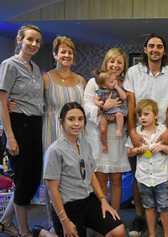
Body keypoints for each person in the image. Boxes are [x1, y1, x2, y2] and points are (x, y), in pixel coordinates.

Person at [123, 33, 168, 236]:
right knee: (140, 178)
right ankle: (141, 219)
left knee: (162, 179)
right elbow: (130, 105)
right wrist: (131, 131)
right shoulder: (133, 72)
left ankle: (165, 219)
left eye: (159, 46)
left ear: (164, 50)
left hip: (162, 132)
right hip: (139, 131)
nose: (155, 49)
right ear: (146, 49)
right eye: (151, 46)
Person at [44, 102, 125, 237]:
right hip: (68, 205)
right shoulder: (54, 150)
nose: (76, 123)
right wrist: (65, 221)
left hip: (88, 199)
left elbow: (91, 175)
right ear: (61, 122)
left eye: (80, 119)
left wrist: (103, 200)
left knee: (118, 231)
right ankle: (44, 233)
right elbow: (52, 190)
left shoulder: (85, 144)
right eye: (71, 119)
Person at [0, 24, 45, 237]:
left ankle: (6, 220)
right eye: (30, 39)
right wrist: (10, 136)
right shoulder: (9, 65)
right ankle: (24, 231)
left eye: (37, 41)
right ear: (20, 39)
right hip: (17, 127)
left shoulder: (36, 68)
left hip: (35, 126)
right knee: (24, 180)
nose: (34, 44)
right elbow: (2, 100)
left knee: (33, 179)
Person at [84, 48, 130, 211]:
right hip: (99, 136)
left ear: (123, 66)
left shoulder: (125, 85)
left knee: (117, 178)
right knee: (101, 179)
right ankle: (103, 217)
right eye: (112, 61)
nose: (115, 65)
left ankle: (115, 215)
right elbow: (87, 106)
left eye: (119, 62)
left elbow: (130, 108)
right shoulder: (93, 82)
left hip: (117, 137)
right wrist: (104, 108)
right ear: (106, 62)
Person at [126, 99, 168, 237]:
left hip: (161, 177)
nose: (142, 117)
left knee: (164, 208)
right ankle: (152, 234)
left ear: (155, 115)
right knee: (148, 207)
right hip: (144, 177)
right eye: (140, 115)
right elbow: (129, 152)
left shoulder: (163, 130)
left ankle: (166, 234)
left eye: (146, 114)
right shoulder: (136, 132)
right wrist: (137, 150)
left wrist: (162, 147)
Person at [42, 35, 86, 151]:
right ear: (55, 55)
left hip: (77, 132)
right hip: (52, 131)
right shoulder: (46, 78)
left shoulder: (81, 80)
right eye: (63, 52)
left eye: (70, 52)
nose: (67, 55)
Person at [94, 70, 127, 152]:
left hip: (116, 111)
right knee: (102, 129)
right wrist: (99, 103)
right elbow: (95, 99)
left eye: (115, 80)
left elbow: (124, 97)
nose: (115, 82)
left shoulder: (116, 90)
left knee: (120, 115)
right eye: (112, 82)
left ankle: (119, 129)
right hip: (105, 113)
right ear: (104, 85)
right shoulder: (100, 91)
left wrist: (117, 87)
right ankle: (104, 145)